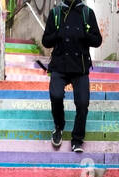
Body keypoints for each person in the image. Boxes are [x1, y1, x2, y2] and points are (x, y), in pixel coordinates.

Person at [40, 0, 102, 152]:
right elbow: (46, 41)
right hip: (59, 65)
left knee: (82, 103)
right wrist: (58, 34)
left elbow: (97, 40)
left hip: (80, 68)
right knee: (56, 95)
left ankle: (77, 139)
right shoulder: (56, 13)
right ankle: (59, 127)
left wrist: (84, 34)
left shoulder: (87, 13)